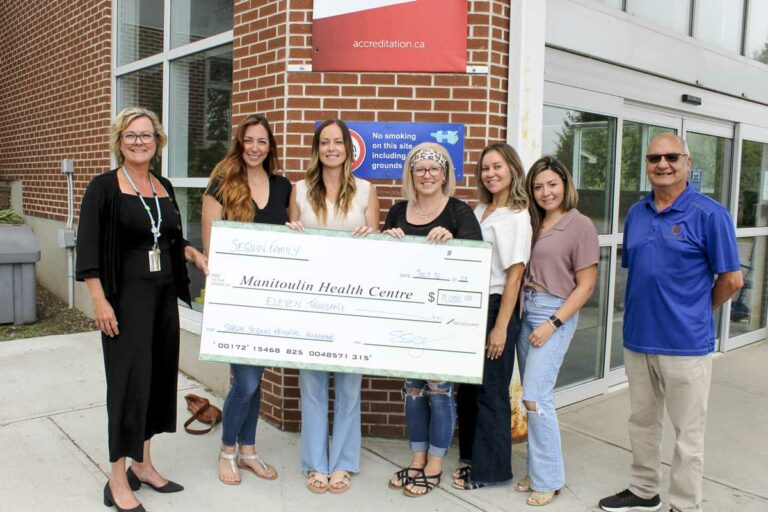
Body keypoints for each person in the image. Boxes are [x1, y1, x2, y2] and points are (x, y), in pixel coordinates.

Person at [599, 134, 742, 512]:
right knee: (642, 422)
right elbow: (640, 272)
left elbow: (732, 280)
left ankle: (684, 504)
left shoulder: (710, 214)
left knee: (687, 433)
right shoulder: (637, 213)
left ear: (687, 163)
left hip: (685, 344)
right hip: (638, 339)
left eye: (672, 157)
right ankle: (644, 490)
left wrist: (697, 311)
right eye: (654, 158)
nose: (662, 164)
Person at [76, 107, 208, 512]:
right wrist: (99, 301)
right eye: (130, 135)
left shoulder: (162, 185)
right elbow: (88, 249)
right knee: (127, 386)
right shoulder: (104, 187)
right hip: (125, 302)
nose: (139, 142)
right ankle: (117, 478)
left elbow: (169, 239)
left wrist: (191, 253)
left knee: (155, 382)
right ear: (120, 141)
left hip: (163, 300)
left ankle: (143, 465)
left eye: (146, 135)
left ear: (158, 141)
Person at [384, 142, 482, 497]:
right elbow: (383, 266)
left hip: (444, 323)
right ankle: (417, 459)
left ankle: (436, 464)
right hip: (408, 319)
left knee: (440, 391)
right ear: (411, 174)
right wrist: (387, 240)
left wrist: (453, 241)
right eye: (420, 169)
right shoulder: (398, 211)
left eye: (433, 168)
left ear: (444, 174)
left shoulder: (459, 212)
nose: (427, 175)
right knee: (413, 390)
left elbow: (475, 266)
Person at [287, 119, 380, 494]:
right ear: (317, 148)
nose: (331, 149)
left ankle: (342, 463)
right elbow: (290, 249)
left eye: (337, 142)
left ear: (348, 148)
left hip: (353, 306)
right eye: (324, 142)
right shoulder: (298, 190)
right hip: (311, 304)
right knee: (311, 385)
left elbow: (377, 248)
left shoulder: (366, 190)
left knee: (348, 387)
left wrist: (372, 235)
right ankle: (315, 463)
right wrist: (290, 233)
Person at [202, 114, 289, 486]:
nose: (255, 148)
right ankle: (227, 450)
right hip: (236, 300)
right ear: (240, 144)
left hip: (271, 299)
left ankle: (248, 450)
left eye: (262, 142)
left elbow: (292, 241)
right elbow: (212, 250)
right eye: (249, 140)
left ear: (270, 147)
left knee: (257, 378)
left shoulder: (283, 187)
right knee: (246, 381)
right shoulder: (221, 185)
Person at [515, 155, 598, 506]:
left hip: (554, 313)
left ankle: (549, 478)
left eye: (552, 184)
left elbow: (586, 285)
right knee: (530, 397)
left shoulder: (580, 225)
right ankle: (538, 469)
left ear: (565, 184)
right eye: (538, 186)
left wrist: (553, 323)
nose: (545, 192)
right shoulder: (533, 222)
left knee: (536, 397)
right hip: (526, 309)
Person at [452, 142, 531, 490]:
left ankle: (491, 471)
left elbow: (515, 275)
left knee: (491, 391)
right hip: (474, 306)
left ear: (512, 169)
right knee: (469, 389)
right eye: (485, 168)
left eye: (497, 166)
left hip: (499, 306)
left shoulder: (517, 215)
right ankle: (471, 458)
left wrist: (500, 328)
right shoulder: (481, 209)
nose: (491, 173)